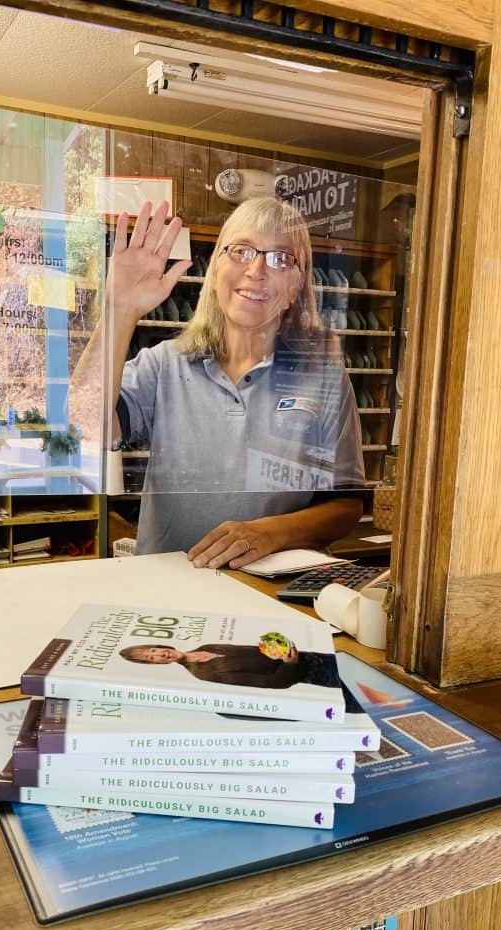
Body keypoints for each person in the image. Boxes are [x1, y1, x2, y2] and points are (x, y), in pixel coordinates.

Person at [72, 198, 365, 568]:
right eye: (241, 251)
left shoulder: (323, 377)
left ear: (296, 286)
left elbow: (347, 504)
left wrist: (269, 534)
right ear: (214, 272)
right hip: (170, 592)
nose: (256, 270)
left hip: (267, 592)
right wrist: (119, 311)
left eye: (279, 259)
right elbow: (82, 428)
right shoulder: (165, 364)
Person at [119, 642, 339, 688]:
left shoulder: (206, 645)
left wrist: (278, 645)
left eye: (153, 650)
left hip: (314, 654)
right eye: (151, 658)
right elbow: (272, 683)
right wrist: (291, 664)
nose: (159, 654)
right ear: (158, 665)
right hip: (316, 673)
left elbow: (258, 650)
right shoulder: (205, 674)